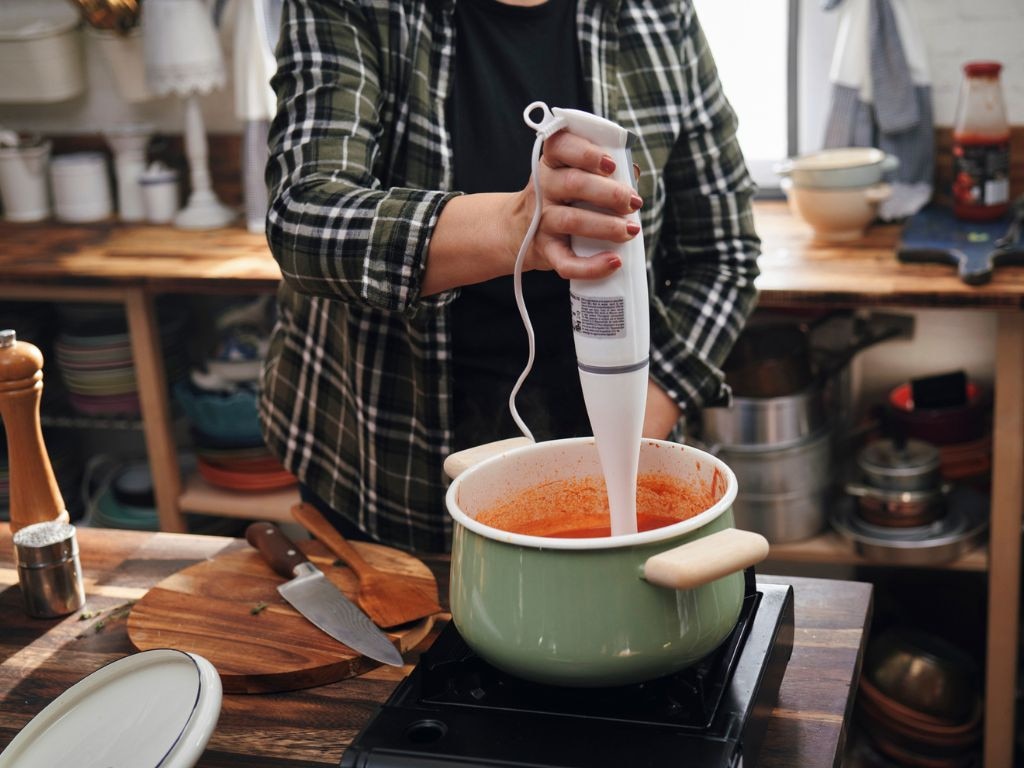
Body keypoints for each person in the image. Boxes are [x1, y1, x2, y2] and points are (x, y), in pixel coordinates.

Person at [259, 0, 761, 553]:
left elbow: (724, 253)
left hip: (619, 454)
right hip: (384, 468)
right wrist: (516, 226)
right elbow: (303, 219)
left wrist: (634, 431)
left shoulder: (658, 15)